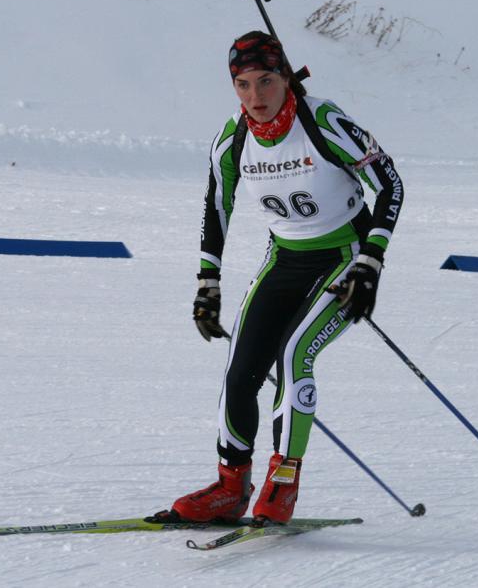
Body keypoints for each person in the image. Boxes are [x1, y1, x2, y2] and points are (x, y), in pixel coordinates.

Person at [166, 30, 405, 525]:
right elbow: (217, 207)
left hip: (346, 255)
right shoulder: (232, 139)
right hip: (285, 259)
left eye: (267, 81)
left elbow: (391, 185)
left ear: (286, 78)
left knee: (295, 353)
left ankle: (283, 483)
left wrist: (371, 262)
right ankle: (230, 486)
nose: (256, 97)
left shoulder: (323, 121)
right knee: (241, 367)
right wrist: (207, 283)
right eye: (243, 84)